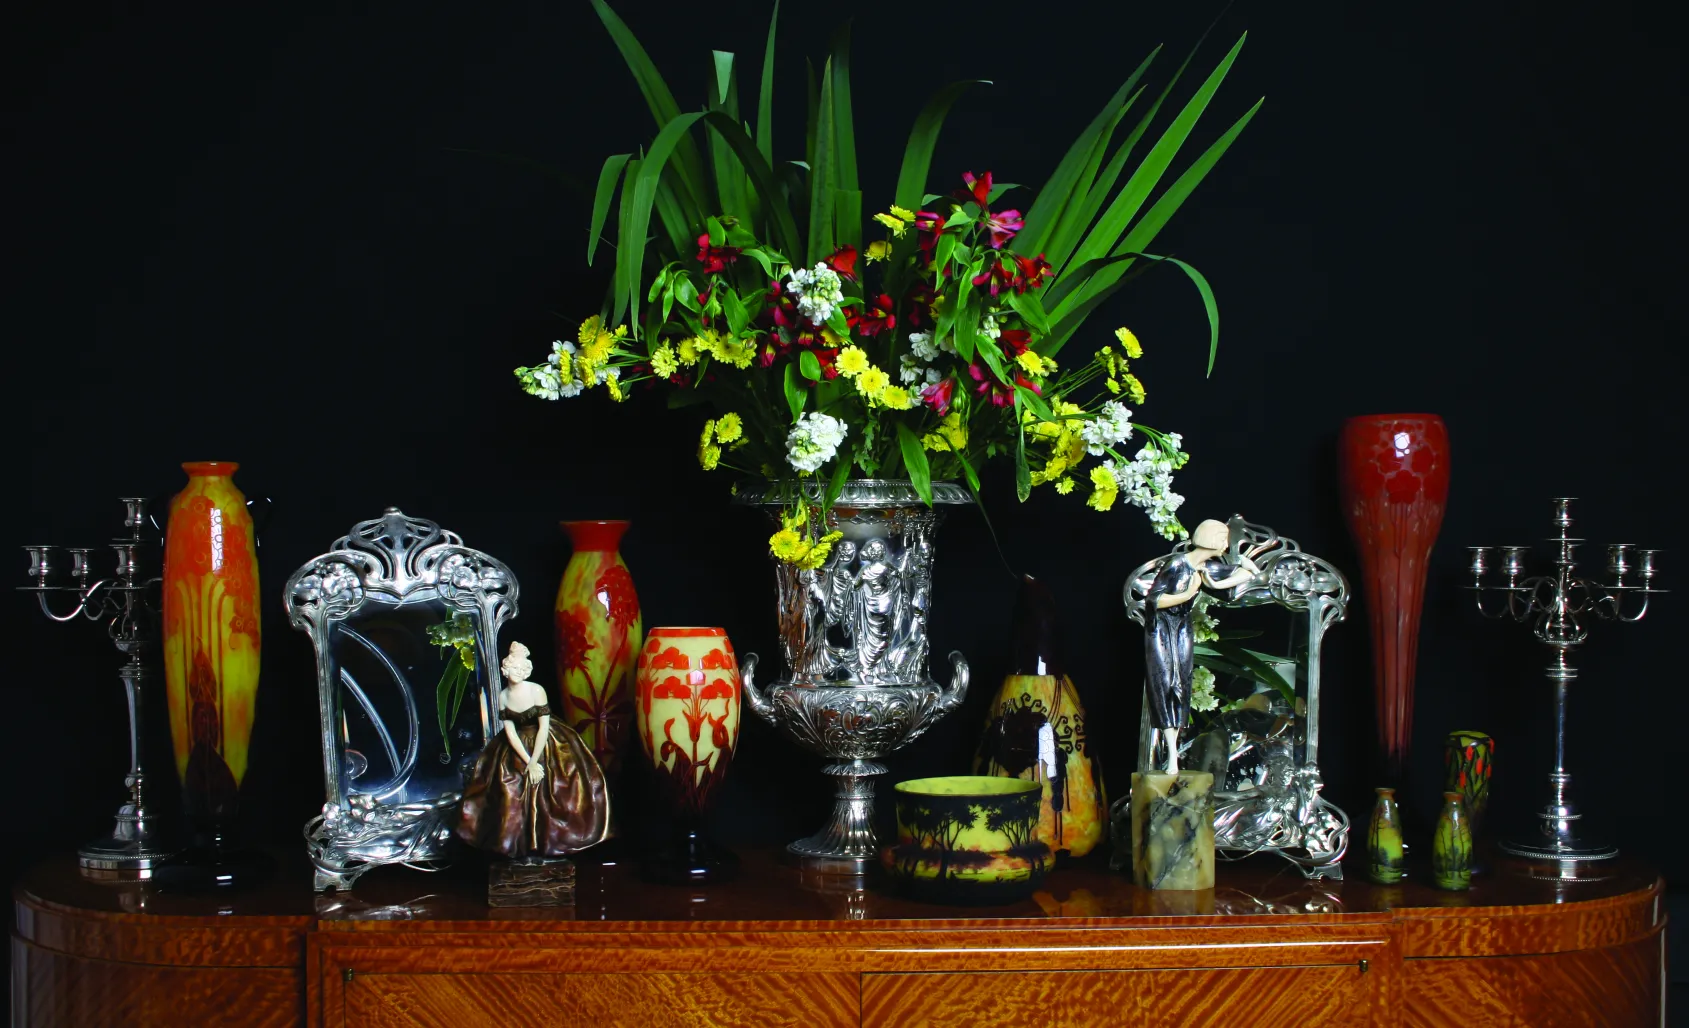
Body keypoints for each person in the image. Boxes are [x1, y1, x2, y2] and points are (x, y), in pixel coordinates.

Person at [458, 641, 610, 861]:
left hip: (545, 741)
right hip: (517, 745)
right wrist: (527, 760)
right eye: (513, 669)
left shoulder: (537, 691)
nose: (517, 673)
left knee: (556, 785)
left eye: (521, 669)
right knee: (508, 787)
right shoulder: (503, 696)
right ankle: (516, 845)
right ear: (506, 670)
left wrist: (536, 761)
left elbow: (544, 727)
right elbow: (510, 732)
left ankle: (552, 841)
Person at [1142, 519, 1268, 773]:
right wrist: (1185, 596)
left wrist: (1245, 567)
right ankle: (1171, 756)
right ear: (1211, 540)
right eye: (1223, 540)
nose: (1225, 546)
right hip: (1161, 629)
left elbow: (1229, 586)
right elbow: (1153, 600)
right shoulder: (1178, 565)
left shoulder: (1205, 568)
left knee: (1180, 685)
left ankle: (1174, 756)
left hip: (1182, 629)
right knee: (1164, 682)